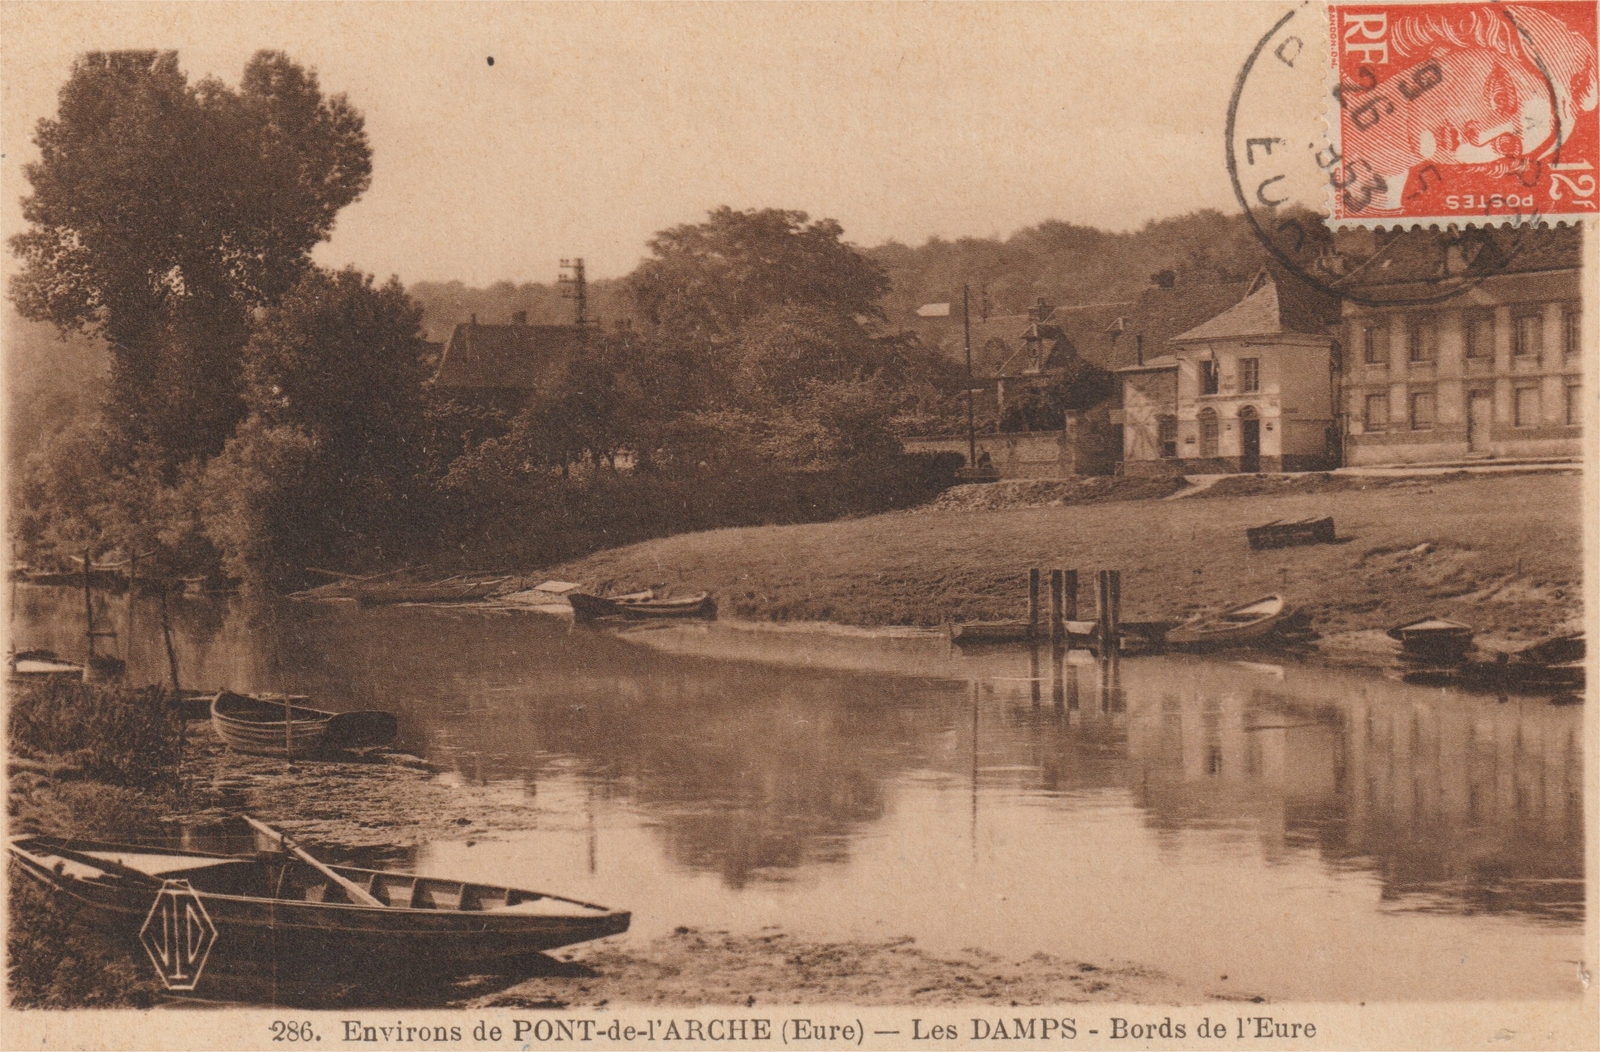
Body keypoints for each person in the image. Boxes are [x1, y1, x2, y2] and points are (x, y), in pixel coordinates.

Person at [1336, 3, 1597, 214]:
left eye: (1506, 147)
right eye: (1501, 97)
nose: (1480, 136)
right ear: (1455, 44)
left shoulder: (1376, 211)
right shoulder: (1326, 75)